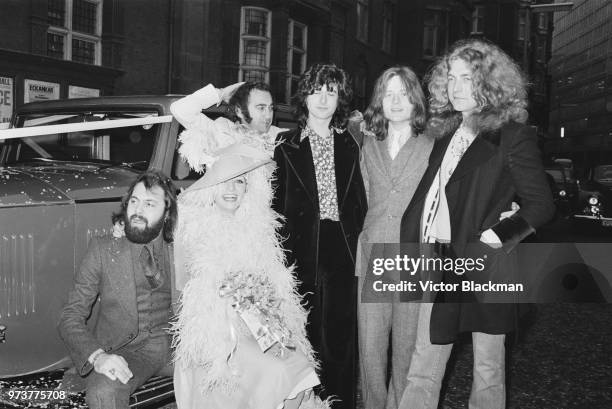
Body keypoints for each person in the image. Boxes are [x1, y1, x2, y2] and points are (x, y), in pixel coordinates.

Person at [398, 39, 555, 409]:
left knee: (487, 369)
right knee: (423, 365)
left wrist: (498, 236)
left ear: (488, 82)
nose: (455, 87)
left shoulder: (513, 136)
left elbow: (542, 205)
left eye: (467, 78)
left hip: (486, 264)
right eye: (450, 78)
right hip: (438, 261)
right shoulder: (445, 132)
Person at [171, 143, 327, 409]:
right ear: (211, 185)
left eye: (240, 182)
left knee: (301, 372)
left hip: (258, 325)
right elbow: (181, 288)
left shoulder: (257, 227)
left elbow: (270, 293)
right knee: (279, 374)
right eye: (224, 181)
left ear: (248, 188)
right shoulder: (191, 226)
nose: (231, 190)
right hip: (214, 334)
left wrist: (269, 317)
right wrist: (223, 293)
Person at [273, 63, 367, 409]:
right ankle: (305, 401)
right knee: (303, 330)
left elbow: (360, 201)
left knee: (340, 331)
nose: (323, 98)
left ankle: (339, 400)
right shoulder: (284, 145)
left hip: (342, 245)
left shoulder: (351, 144)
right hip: (300, 246)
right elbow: (274, 203)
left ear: (340, 98)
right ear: (305, 97)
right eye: (316, 90)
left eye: (331, 91)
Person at [58, 171, 178, 409]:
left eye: (149, 203)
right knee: (104, 390)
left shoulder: (179, 250)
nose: (138, 210)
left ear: (166, 215)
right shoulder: (102, 250)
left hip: (176, 349)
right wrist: (98, 357)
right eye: (134, 201)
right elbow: (69, 316)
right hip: (129, 351)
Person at [353, 66, 433, 409]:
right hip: (374, 254)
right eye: (389, 94)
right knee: (370, 349)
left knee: (406, 349)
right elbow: (365, 195)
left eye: (403, 93)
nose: (396, 101)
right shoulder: (369, 145)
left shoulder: (433, 145)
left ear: (415, 99)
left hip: (414, 257)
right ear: (379, 101)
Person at [170, 81, 286, 167]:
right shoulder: (220, 132)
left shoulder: (280, 136)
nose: (268, 115)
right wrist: (221, 93)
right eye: (261, 108)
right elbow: (180, 109)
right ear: (239, 111)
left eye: (271, 108)